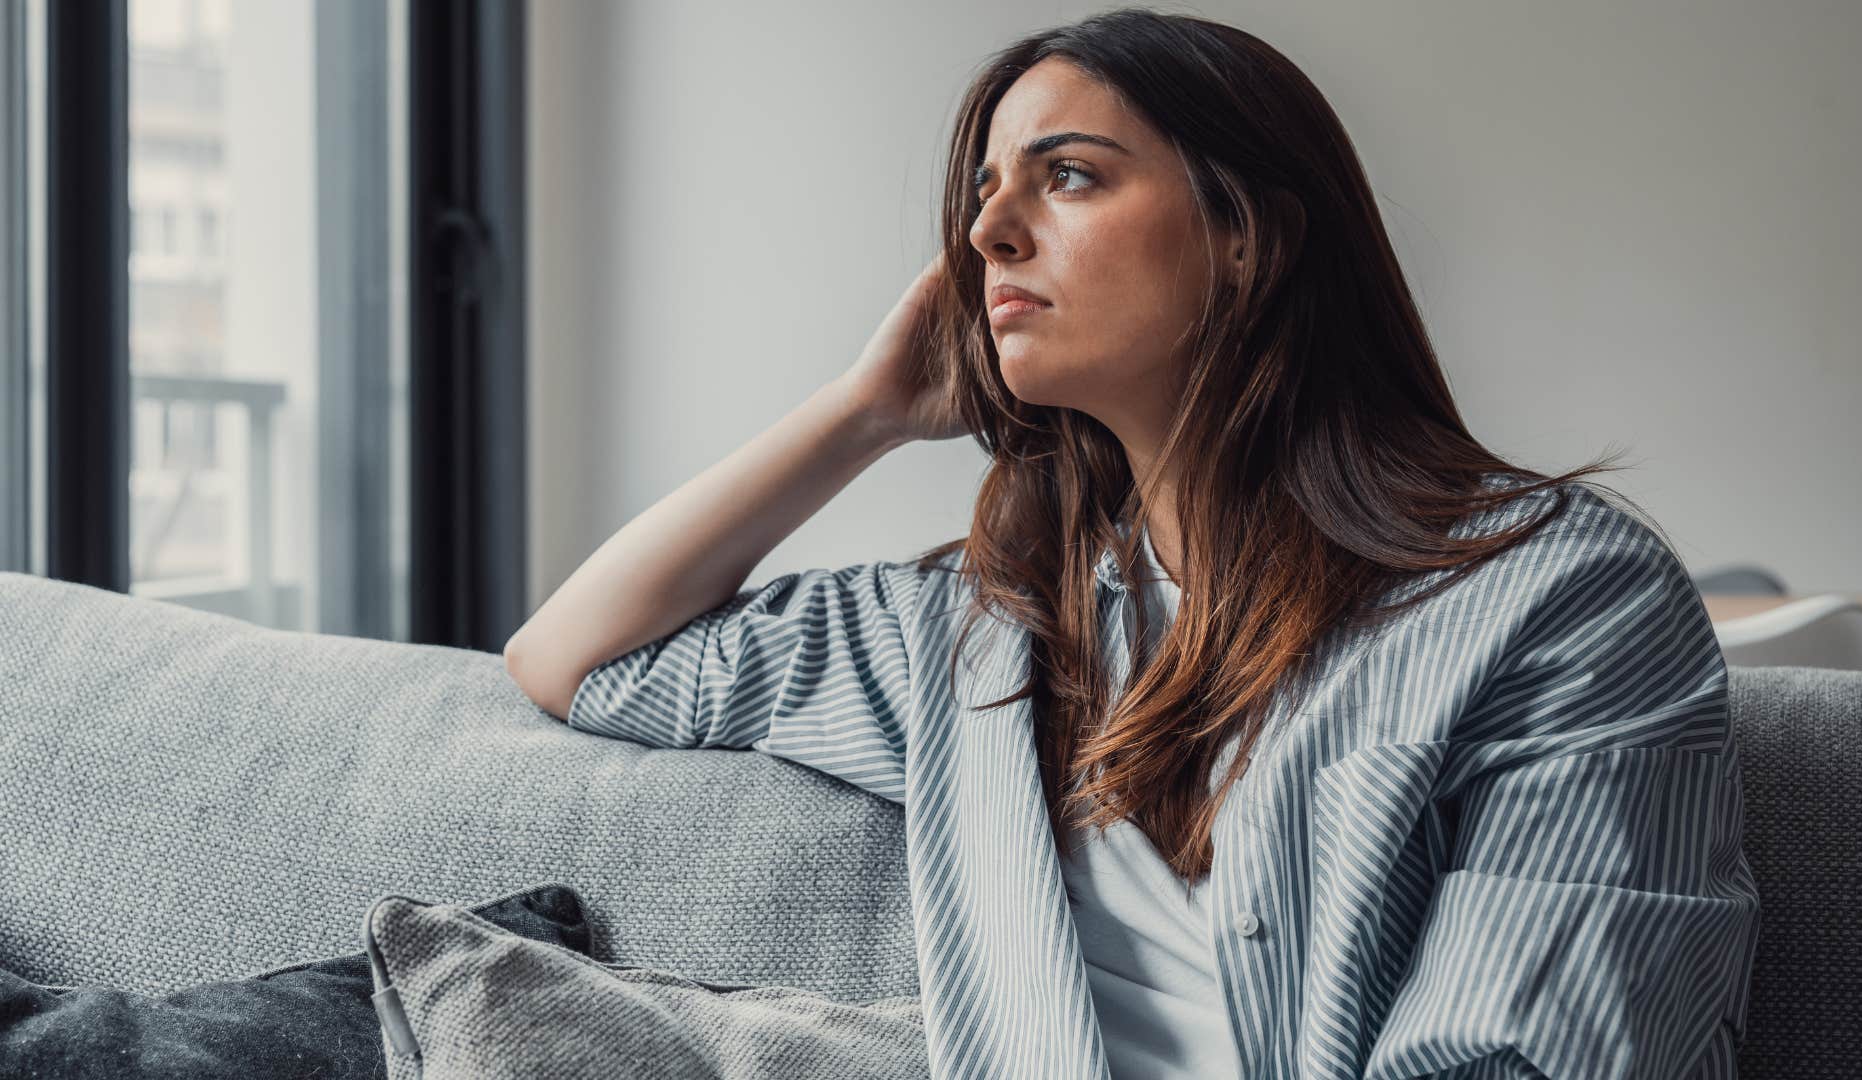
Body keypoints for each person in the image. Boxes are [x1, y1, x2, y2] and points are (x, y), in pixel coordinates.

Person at [506, 8, 1760, 1078]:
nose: (989, 235)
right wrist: (861, 416)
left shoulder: (1558, 599)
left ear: (1246, 237)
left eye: (1068, 176)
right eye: (984, 194)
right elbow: (575, 655)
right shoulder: (982, 632)